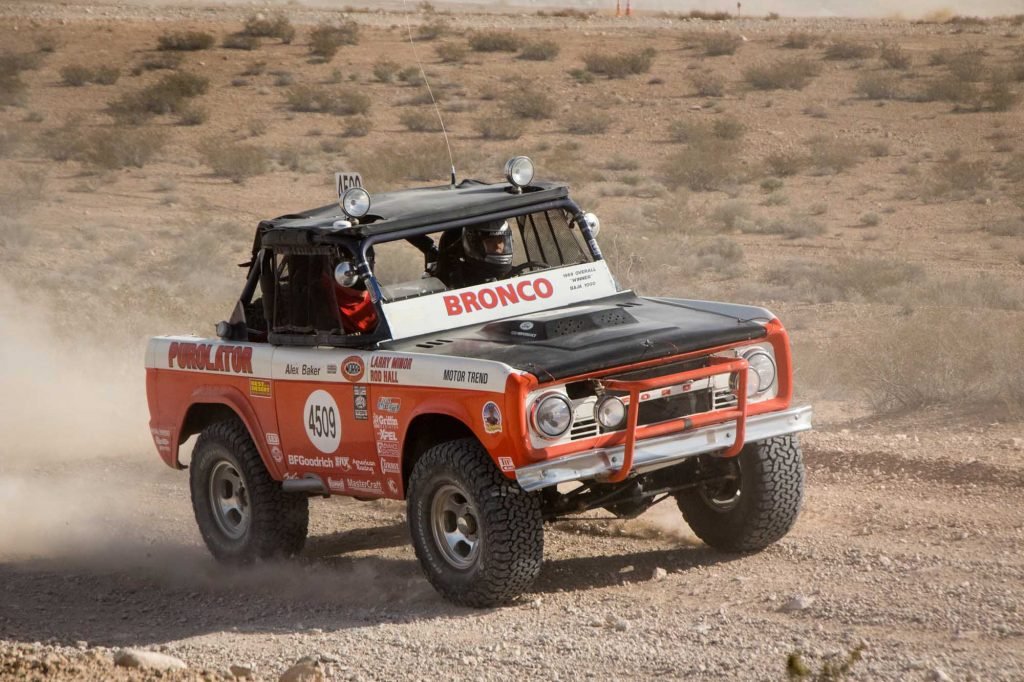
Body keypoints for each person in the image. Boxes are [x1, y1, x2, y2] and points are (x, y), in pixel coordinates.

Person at [436, 220, 514, 289]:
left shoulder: (514, 276)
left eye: (500, 241)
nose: (498, 247)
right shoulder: (458, 281)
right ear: (474, 244)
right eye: (490, 241)